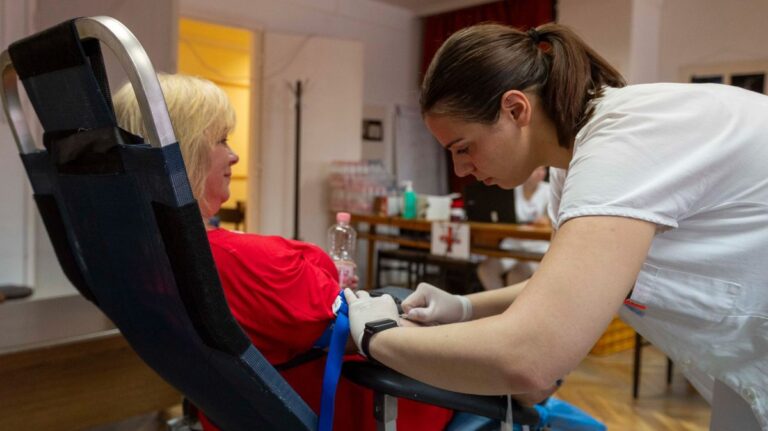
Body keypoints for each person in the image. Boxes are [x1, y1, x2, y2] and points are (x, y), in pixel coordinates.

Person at [345, 22, 768, 430]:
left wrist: (378, 337)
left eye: (464, 147)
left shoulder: (624, 142)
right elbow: (570, 291)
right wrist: (464, 307)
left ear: (515, 109)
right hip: (744, 364)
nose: (460, 169)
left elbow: (531, 360)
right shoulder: (571, 168)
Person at [113, 74, 452, 431]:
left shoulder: (139, 258)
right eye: (222, 140)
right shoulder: (243, 263)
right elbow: (364, 333)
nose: (234, 155)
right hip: (357, 410)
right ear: (184, 155)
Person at [476, 166, 550, 290]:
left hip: (538, 245)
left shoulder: (549, 190)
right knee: (485, 269)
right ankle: (499, 301)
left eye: (543, 169)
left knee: (516, 275)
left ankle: (513, 303)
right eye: (536, 169)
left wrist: (547, 221)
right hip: (513, 242)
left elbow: (555, 220)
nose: (541, 173)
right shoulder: (512, 189)